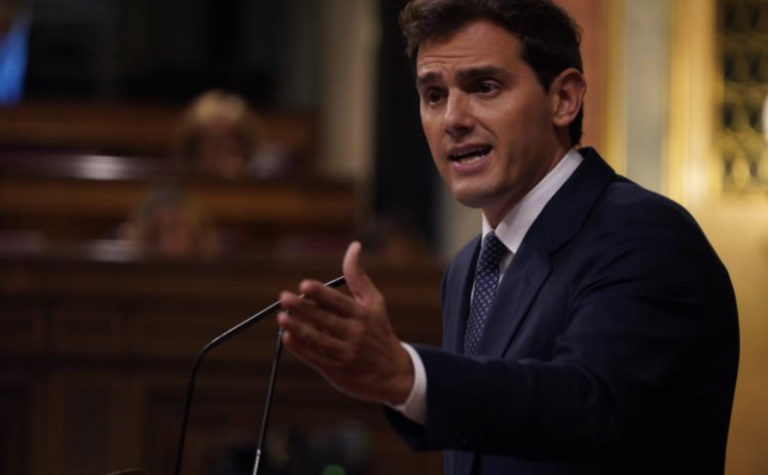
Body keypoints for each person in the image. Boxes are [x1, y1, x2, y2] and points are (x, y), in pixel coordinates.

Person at [277, 1, 739, 474]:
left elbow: (589, 403)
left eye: (484, 87)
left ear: (564, 99)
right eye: (434, 95)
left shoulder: (644, 236)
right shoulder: (467, 267)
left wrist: (407, 377)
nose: (452, 119)